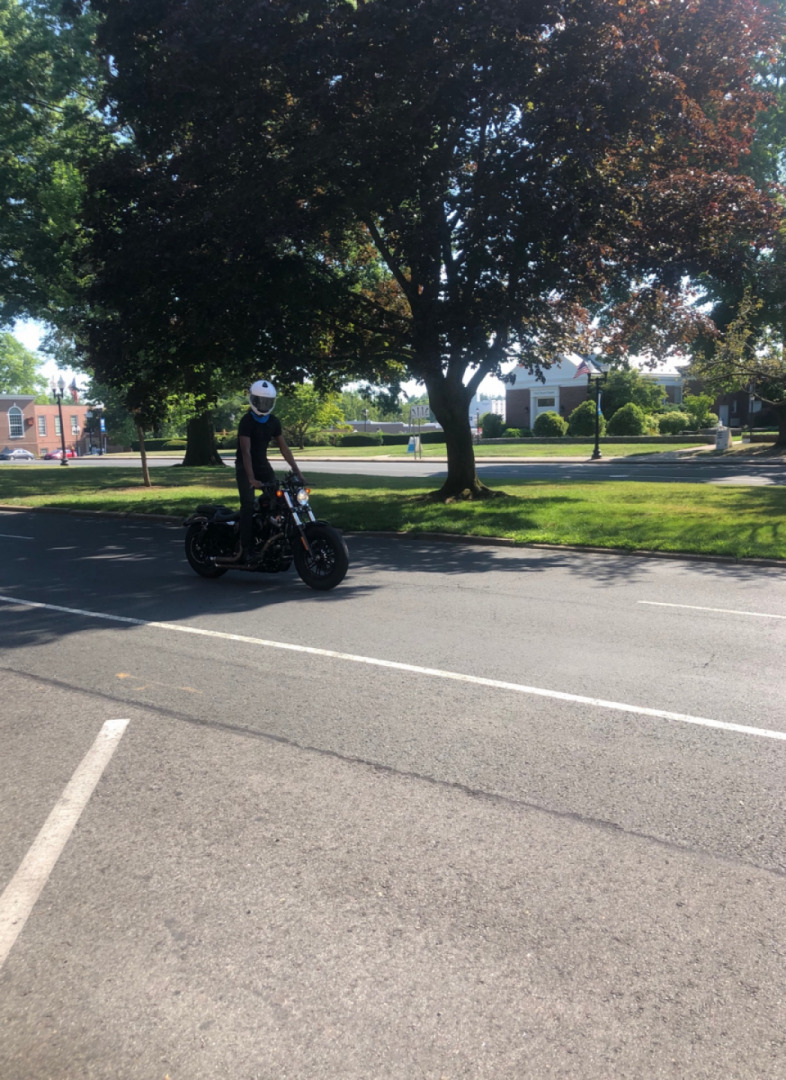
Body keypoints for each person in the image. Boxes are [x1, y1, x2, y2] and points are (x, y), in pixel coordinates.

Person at [234, 379, 304, 564]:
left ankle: (275, 539)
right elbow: (246, 452)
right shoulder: (246, 421)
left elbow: (284, 448)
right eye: (260, 401)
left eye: (267, 402)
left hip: (263, 466)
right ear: (253, 400)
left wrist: (297, 472)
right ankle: (246, 549)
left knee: (280, 501)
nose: (264, 405)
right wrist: (250, 478)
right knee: (248, 505)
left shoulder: (273, 421)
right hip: (245, 466)